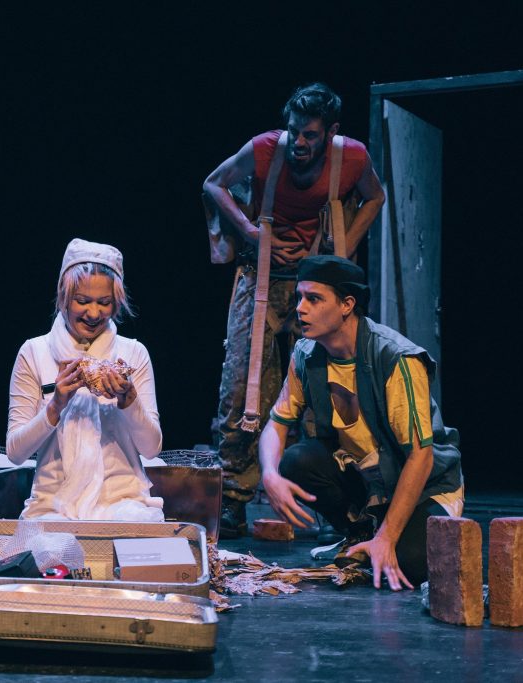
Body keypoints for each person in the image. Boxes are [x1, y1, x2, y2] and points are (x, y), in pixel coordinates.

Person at [202, 82, 385, 537]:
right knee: (243, 388)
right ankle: (234, 497)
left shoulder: (352, 157)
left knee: (326, 386)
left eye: (310, 135)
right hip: (263, 274)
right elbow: (213, 183)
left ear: (331, 132)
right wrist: (250, 232)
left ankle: (330, 503)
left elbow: (375, 196)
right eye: (294, 131)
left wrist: (343, 249)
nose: (299, 142)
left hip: (316, 281)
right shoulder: (266, 149)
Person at [259, 255, 463, 589]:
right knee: (296, 460)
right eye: (300, 297)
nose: (300, 308)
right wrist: (269, 473)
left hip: (427, 485)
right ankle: (361, 533)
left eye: (314, 299)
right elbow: (276, 424)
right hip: (371, 482)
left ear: (347, 305)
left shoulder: (395, 358)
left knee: (412, 563)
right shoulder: (307, 355)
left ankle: (386, 535)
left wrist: (388, 538)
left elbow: (421, 457)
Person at [6, 238, 164, 521]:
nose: (93, 313)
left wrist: (129, 401)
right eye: (82, 301)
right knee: (50, 545)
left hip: (123, 502)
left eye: (104, 303)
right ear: (64, 297)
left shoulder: (132, 354)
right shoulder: (34, 352)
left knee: (134, 532)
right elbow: (15, 453)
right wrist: (55, 406)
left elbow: (151, 449)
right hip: (52, 506)